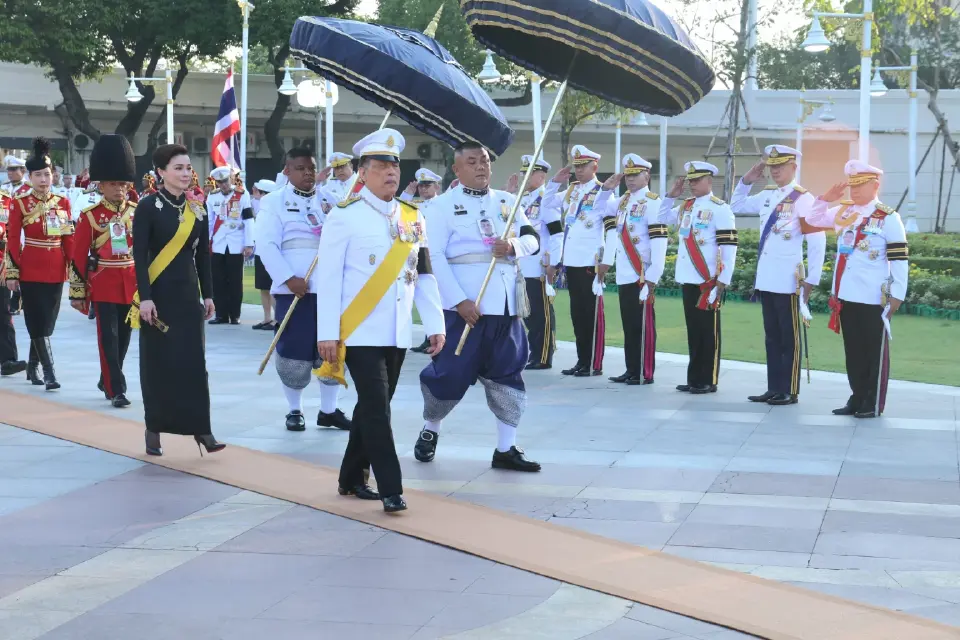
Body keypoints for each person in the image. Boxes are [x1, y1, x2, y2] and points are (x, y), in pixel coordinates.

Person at [315, 128, 445, 513]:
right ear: (362, 173)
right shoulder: (344, 217)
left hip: (397, 330)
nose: (391, 172)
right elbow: (329, 279)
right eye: (381, 165)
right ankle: (390, 486)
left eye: (394, 165)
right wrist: (327, 334)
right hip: (358, 330)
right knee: (376, 407)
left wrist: (435, 323)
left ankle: (351, 477)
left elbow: (423, 274)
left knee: (372, 407)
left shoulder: (412, 217)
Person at [415, 142, 542, 472]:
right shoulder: (440, 207)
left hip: (505, 304)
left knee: (508, 374)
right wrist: (459, 301)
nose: (481, 167)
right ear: (457, 169)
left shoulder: (507, 202)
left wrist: (513, 245)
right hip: (464, 306)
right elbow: (435, 257)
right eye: (472, 162)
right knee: (450, 374)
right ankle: (431, 429)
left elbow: (533, 238)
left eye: (485, 161)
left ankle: (506, 447)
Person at [130, 143, 225, 456]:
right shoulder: (146, 207)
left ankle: (202, 428)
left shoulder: (197, 209)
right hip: (158, 299)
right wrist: (145, 298)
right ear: (161, 172)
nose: (186, 173)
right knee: (159, 366)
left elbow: (204, 257)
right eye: (179, 168)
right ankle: (153, 429)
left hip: (187, 299)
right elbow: (140, 257)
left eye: (188, 168)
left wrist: (208, 294)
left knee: (194, 365)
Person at [255, 148, 351, 432]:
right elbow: (267, 245)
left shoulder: (331, 201)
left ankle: (328, 411)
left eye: (311, 168)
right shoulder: (274, 202)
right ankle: (294, 410)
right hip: (294, 289)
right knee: (294, 352)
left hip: (330, 289)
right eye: (300, 168)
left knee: (332, 349)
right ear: (287, 171)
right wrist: (288, 278)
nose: (308, 173)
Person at [803, 160, 908, 418]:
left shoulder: (888, 217)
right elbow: (812, 220)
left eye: (861, 185)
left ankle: (871, 403)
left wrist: (897, 294)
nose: (855, 191)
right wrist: (825, 199)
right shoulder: (845, 212)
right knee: (854, 352)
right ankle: (856, 396)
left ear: (876, 185)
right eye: (852, 185)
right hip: (846, 294)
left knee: (873, 352)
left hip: (873, 296)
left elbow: (899, 259)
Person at [732, 145, 826, 405]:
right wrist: (746, 180)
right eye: (772, 166)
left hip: (789, 279)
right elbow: (736, 204)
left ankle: (789, 388)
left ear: (794, 167)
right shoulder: (767, 196)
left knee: (789, 337)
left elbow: (817, 242)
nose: (775, 171)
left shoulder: (803, 199)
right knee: (772, 336)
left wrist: (812, 280)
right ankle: (774, 387)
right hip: (767, 278)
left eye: (780, 166)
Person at [68, 134, 139, 408]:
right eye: (113, 183)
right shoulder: (90, 216)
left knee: (123, 339)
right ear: (101, 185)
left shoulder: (136, 211)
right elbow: (78, 256)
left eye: (123, 183)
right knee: (107, 338)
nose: (119, 189)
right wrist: (78, 292)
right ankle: (116, 389)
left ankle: (107, 377)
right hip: (104, 282)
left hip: (130, 282)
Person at [659, 161, 738, 394]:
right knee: (693, 330)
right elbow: (661, 218)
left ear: (709, 180)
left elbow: (729, 246)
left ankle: (708, 378)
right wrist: (670, 197)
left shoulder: (720, 208)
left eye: (697, 180)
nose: (692, 184)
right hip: (688, 277)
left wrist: (723, 279)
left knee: (708, 332)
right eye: (690, 180)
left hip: (708, 280)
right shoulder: (686, 206)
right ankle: (694, 378)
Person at [3, 138, 73, 390]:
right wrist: (12, 271)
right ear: (30, 177)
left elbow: (68, 239)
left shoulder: (62, 202)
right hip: (30, 266)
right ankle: (49, 373)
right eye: (38, 175)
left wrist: (74, 269)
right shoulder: (20, 203)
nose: (44, 180)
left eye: (47, 174)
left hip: (56, 267)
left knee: (47, 322)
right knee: (35, 319)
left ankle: (32, 366)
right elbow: (12, 238)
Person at [597, 154, 669, 385]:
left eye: (635, 174)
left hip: (642, 274)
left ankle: (644, 371)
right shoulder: (623, 201)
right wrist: (606, 189)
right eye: (627, 175)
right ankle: (631, 369)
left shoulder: (654, 202)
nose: (630, 179)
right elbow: (599, 209)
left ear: (646, 175)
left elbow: (659, 244)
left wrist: (652, 278)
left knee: (643, 326)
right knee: (629, 324)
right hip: (625, 273)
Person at [544, 145, 609, 377]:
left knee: (591, 315)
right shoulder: (572, 191)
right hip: (571, 262)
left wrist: (606, 261)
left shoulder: (604, 191)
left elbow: (611, 230)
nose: (579, 170)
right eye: (577, 166)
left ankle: (594, 363)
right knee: (577, 315)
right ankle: (582, 361)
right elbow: (546, 205)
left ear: (595, 167)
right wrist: (554, 183)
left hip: (590, 262)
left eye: (583, 166)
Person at [505, 155, 563, 370]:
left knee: (541, 313)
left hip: (539, 263)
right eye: (522, 172)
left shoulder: (545, 199)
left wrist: (554, 263)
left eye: (528, 173)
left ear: (541, 176)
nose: (523, 177)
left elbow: (557, 234)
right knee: (527, 313)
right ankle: (533, 352)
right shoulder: (521, 199)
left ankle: (544, 355)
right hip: (521, 264)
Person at [403, 167, 444, 354]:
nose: (424, 189)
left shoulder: (443, 204)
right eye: (421, 186)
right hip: (422, 259)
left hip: (439, 257)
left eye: (428, 185)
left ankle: (440, 335)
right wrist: (407, 194)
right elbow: (397, 210)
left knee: (440, 301)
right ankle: (429, 337)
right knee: (424, 300)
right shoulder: (414, 205)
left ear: (437, 186)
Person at [206, 166, 254, 325]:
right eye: (220, 182)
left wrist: (249, 243)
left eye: (225, 181)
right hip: (218, 243)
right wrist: (207, 241)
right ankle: (220, 314)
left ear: (231, 180)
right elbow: (210, 221)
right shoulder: (213, 197)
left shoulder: (242, 194)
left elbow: (248, 220)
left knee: (235, 280)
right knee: (218, 280)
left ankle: (235, 315)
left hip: (236, 243)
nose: (223, 185)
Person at [0, 186, 26, 377]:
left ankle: (8, 360)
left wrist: (9, 266)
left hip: (0, 265)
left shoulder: (6, 200)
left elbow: (12, 236)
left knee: (3, 313)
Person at [250, 178, 278, 331]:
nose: (257, 194)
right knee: (263, 287)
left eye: (260, 192)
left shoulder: (273, 209)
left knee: (272, 287)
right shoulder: (260, 205)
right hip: (260, 251)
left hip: (271, 252)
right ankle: (267, 318)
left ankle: (276, 318)